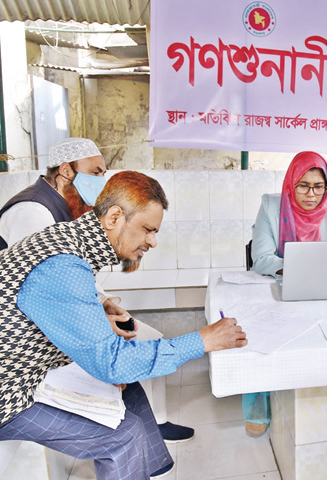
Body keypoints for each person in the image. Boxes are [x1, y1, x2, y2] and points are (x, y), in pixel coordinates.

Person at [0, 170, 247, 480]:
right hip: (9, 393)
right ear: (114, 217)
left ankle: (155, 472)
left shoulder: (70, 242)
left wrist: (97, 310)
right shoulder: (63, 264)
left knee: (129, 390)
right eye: (147, 229)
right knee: (121, 438)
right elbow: (113, 363)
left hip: (23, 367)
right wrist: (203, 341)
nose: (152, 242)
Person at [0, 138, 195, 445]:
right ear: (66, 171)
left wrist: (103, 304)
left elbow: (71, 275)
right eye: (95, 172)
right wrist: (204, 340)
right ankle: (138, 443)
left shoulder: (67, 209)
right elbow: (47, 286)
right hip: (21, 362)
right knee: (120, 386)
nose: (101, 182)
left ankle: (153, 440)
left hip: (50, 330)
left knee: (139, 347)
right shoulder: (32, 211)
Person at [247, 151, 327, 435]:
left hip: (324, 289)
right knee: (264, 336)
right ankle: (260, 402)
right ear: (291, 183)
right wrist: (302, 269)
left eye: (319, 187)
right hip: (282, 284)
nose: (311, 194)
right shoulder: (271, 206)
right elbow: (262, 258)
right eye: (303, 185)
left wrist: (326, 273)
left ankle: (324, 393)